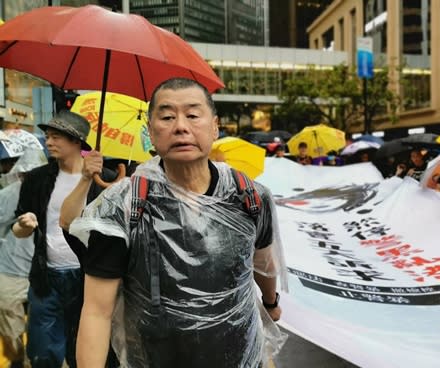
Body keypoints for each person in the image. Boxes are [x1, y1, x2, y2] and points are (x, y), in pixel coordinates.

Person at [66, 78, 286, 368]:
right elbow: (96, 311)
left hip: (243, 356)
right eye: (167, 116)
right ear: (150, 132)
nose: (181, 126)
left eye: (193, 115)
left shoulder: (250, 197)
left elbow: (263, 264)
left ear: (215, 126)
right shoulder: (121, 207)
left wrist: (270, 302)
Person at [12, 111, 116, 368]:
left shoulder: (106, 180)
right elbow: (18, 229)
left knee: (86, 352)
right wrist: (24, 226)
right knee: (43, 352)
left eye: (56, 137)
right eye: (47, 137)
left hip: (90, 280)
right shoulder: (37, 179)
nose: (48, 142)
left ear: (77, 141)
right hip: (46, 279)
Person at [0, 149, 47, 368]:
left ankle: (33, 360)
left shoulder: (55, 193)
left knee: (42, 325)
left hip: (43, 271)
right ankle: (17, 360)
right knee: (10, 321)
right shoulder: (8, 195)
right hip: (10, 270)